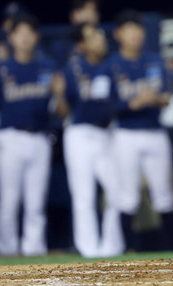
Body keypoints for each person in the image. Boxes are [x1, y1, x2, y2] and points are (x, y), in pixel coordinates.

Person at [0, 13, 57, 256]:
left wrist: (59, 94)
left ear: (37, 37)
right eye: (20, 33)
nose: (25, 38)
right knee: (8, 200)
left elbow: (54, 108)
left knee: (35, 203)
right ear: (11, 37)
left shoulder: (47, 69)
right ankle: (6, 252)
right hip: (9, 138)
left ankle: (34, 251)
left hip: (39, 137)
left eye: (30, 32)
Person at [52, 23, 124, 257]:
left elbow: (118, 102)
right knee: (83, 194)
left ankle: (111, 246)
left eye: (100, 35)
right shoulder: (73, 68)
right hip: (79, 133)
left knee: (116, 191)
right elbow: (62, 111)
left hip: (107, 133)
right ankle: (88, 249)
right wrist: (59, 94)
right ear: (81, 45)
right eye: (92, 36)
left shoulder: (111, 66)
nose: (100, 40)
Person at [107, 10, 173, 251]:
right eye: (128, 29)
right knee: (127, 196)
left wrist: (154, 99)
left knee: (164, 194)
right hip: (125, 133)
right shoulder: (112, 65)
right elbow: (104, 106)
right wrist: (133, 103)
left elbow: (167, 97)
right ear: (118, 34)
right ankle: (128, 249)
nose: (134, 34)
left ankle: (171, 250)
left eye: (137, 29)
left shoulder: (156, 60)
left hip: (155, 131)